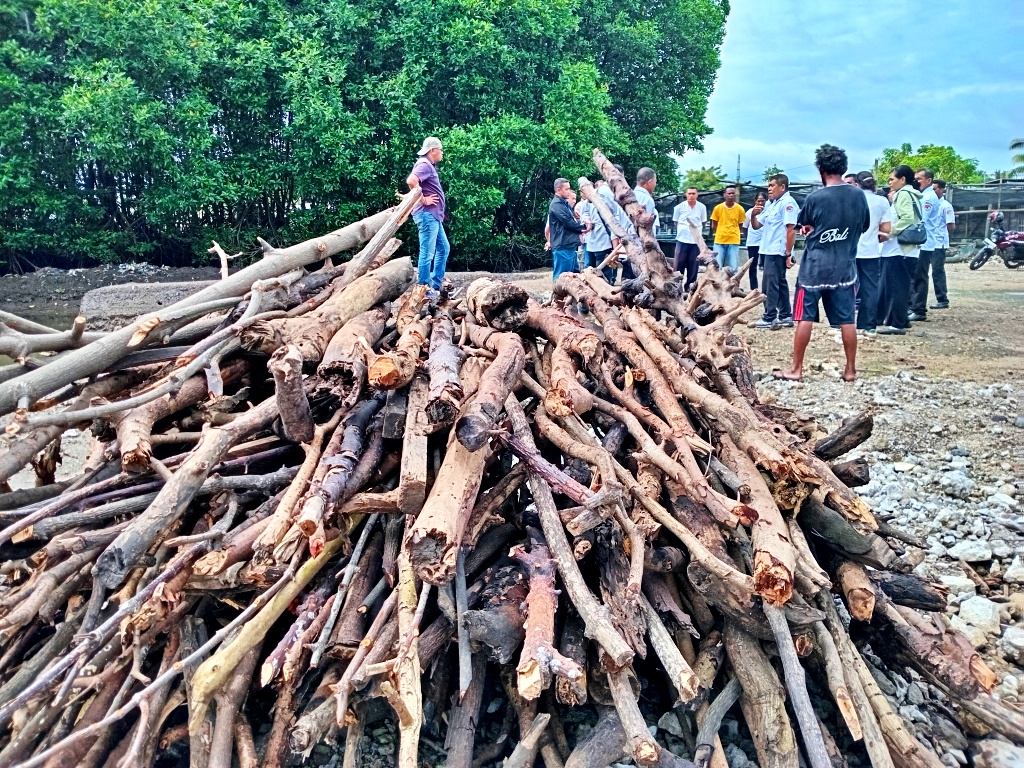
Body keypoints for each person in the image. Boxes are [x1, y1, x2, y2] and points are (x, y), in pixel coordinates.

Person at [775, 145, 869, 382]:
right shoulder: (858, 195)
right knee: (848, 320)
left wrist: (813, 229)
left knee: (804, 317)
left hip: (814, 268)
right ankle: (850, 370)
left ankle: (796, 369)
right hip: (845, 268)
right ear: (843, 168)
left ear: (821, 170)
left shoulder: (815, 197)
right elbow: (864, 225)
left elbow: (804, 224)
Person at [877, 165, 922, 335]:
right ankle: (900, 319)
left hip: (900, 249)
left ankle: (897, 324)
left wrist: (890, 233)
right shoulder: (911, 194)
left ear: (902, 179)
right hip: (906, 249)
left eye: (892, 179)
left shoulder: (903, 194)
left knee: (898, 287)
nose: (890, 182)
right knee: (899, 285)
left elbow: (908, 218)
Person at [750, 174, 799, 329]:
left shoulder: (788, 203)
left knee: (770, 284)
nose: (769, 189)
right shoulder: (773, 204)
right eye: (768, 186)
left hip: (777, 251)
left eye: (772, 185)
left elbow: (791, 230)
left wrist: (788, 253)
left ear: (782, 187)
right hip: (768, 249)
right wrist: (752, 215)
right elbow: (757, 225)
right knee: (780, 283)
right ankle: (785, 315)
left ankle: (769, 316)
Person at [407, 136, 450, 292]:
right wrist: (423, 200)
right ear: (433, 150)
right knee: (427, 252)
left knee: (443, 248)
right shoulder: (424, 164)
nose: (442, 153)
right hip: (427, 214)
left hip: (433, 216)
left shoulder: (428, 165)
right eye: (440, 150)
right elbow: (411, 181)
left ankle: (436, 287)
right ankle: (424, 288)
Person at [854, 171, 892, 335]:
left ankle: (844, 324)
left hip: (850, 251)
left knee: (847, 288)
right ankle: (868, 325)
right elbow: (887, 229)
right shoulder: (882, 201)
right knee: (870, 288)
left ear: (857, 183)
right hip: (871, 251)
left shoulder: (853, 200)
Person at [909, 168, 942, 321]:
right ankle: (913, 306)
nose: (916, 181)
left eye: (919, 178)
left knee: (920, 276)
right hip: (920, 241)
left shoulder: (928, 197)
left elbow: (921, 217)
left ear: (929, 180)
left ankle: (919, 309)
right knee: (914, 275)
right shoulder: (923, 194)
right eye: (915, 178)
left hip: (924, 241)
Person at [548, 178, 590, 281]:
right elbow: (567, 222)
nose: (569, 191)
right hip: (562, 245)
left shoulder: (564, 204)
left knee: (572, 276)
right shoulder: (557, 205)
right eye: (566, 189)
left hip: (568, 244)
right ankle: (557, 297)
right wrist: (584, 228)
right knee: (561, 277)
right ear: (558, 190)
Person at [672, 187, 706, 289]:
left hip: (695, 241)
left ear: (697, 195)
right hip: (682, 240)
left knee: (694, 264)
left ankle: (690, 286)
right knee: (679, 264)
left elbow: (703, 222)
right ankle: (676, 286)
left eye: (693, 193)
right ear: (686, 195)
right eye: (689, 193)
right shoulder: (679, 207)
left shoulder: (702, 207)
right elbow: (676, 222)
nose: (691, 195)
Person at [710, 187, 745, 270]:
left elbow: (740, 224)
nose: (731, 195)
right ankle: (718, 283)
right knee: (717, 267)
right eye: (729, 193)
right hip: (719, 241)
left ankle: (733, 283)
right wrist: (719, 232)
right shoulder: (718, 208)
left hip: (733, 241)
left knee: (733, 268)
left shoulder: (740, 209)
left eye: (733, 193)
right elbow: (714, 225)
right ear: (724, 195)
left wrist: (734, 232)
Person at [931, 180, 953, 309]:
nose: (933, 192)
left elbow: (951, 225)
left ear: (941, 189)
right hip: (928, 242)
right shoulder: (930, 203)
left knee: (937, 271)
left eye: (935, 189)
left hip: (939, 243)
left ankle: (942, 299)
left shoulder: (945, 205)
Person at [743, 192, 765, 290]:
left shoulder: (768, 212)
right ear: (755, 201)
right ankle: (754, 288)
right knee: (752, 266)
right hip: (752, 242)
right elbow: (745, 227)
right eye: (758, 201)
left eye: (762, 201)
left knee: (766, 267)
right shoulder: (749, 212)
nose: (760, 203)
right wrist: (748, 237)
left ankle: (766, 287)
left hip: (765, 243)